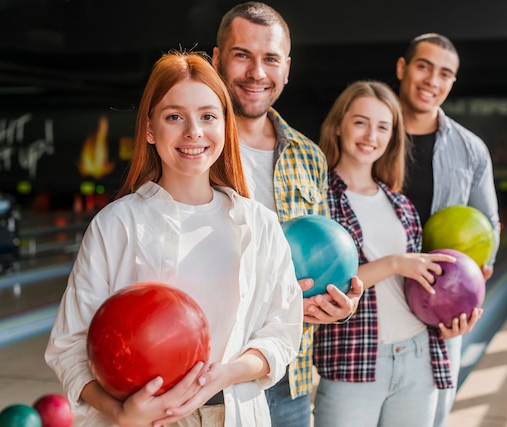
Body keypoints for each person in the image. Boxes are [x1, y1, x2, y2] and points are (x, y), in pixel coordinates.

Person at [44, 49, 303, 427]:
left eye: (208, 116)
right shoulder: (115, 224)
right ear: (150, 129)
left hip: (231, 413)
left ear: (224, 127)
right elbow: (68, 347)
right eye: (174, 116)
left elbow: (282, 334)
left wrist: (226, 373)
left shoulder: (260, 224)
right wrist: (122, 413)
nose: (193, 131)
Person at [211, 3, 363, 426]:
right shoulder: (194, 145)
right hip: (207, 370)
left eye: (271, 59)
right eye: (242, 55)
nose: (257, 72)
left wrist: (340, 303)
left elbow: (331, 254)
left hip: (287, 380)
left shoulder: (308, 155)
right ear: (216, 59)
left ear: (287, 68)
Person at [312, 80, 482, 426]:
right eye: (360, 121)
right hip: (353, 360)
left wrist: (448, 322)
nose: (370, 134)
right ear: (339, 125)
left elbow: (419, 287)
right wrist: (393, 264)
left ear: (392, 136)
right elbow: (326, 284)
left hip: (418, 356)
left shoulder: (401, 204)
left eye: (382, 126)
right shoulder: (318, 200)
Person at [396, 33, 502, 426]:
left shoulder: (470, 149)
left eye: (445, 73)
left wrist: (471, 287)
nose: (432, 80)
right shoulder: (370, 135)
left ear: (452, 82)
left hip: (439, 305)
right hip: (377, 299)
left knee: (432, 417)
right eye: (423, 66)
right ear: (403, 68)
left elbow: (487, 225)